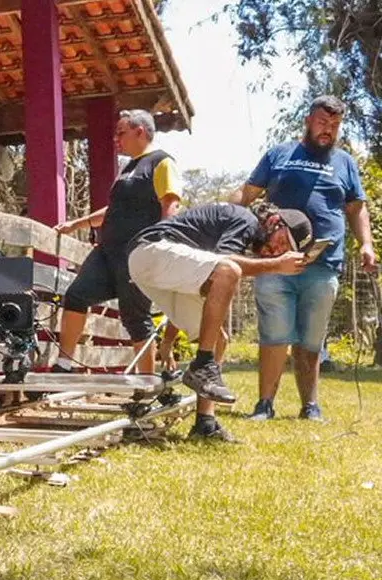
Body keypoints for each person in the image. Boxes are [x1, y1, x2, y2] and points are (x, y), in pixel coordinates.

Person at [234, 95, 377, 421]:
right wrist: (222, 217)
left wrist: (366, 244)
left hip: (324, 264)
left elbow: (356, 208)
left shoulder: (345, 163)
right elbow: (247, 193)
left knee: (312, 339)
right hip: (276, 261)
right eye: (323, 123)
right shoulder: (280, 154)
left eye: (335, 125)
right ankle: (264, 404)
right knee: (274, 333)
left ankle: (310, 406)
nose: (328, 130)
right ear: (308, 121)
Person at [127, 201, 313, 441]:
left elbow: (204, 296)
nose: (277, 250)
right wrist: (276, 265)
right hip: (151, 250)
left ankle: (205, 422)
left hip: (154, 266)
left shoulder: (234, 241)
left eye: (284, 251)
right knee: (229, 271)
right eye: (283, 241)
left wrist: (168, 341)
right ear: (275, 222)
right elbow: (226, 262)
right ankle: (203, 364)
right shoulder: (246, 220)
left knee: (217, 338)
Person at [53, 109, 183, 374]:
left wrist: (160, 244)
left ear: (140, 132)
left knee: (135, 317)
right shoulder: (129, 168)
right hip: (107, 253)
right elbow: (113, 210)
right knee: (76, 295)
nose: (116, 139)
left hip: (137, 254)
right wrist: (76, 224)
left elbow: (171, 203)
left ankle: (146, 381)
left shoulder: (161, 162)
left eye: (121, 133)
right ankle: (64, 364)